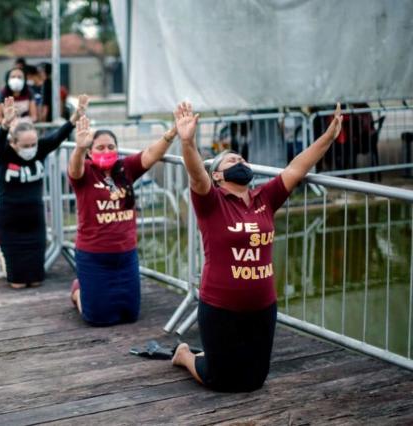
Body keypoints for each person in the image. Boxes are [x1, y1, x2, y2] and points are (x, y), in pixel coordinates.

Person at [171, 102, 343, 392]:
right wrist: (187, 142)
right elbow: (196, 175)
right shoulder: (211, 201)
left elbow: (297, 167)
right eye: (232, 161)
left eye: (242, 160)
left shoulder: (266, 197)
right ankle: (186, 355)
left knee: (255, 381)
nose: (240, 163)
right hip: (220, 307)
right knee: (220, 380)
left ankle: (209, 355)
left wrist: (327, 136)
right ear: (217, 176)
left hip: (263, 306)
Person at [68, 115, 178, 326]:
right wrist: (79, 148)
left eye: (111, 146)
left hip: (126, 255)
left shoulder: (125, 168)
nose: (106, 150)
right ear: (91, 152)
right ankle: (78, 291)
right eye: (100, 147)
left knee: (130, 316)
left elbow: (150, 154)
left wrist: (171, 134)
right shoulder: (85, 172)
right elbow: (74, 169)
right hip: (93, 256)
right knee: (97, 319)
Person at [0, 94, 89, 289]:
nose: (30, 149)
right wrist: (5, 124)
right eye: (25, 145)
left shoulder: (40, 150)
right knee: (18, 284)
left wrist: (75, 117)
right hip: (10, 220)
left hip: (34, 221)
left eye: (33, 144)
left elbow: (58, 136)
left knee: (36, 280)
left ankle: (15, 263)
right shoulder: (5, 155)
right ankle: (3, 258)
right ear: (14, 144)